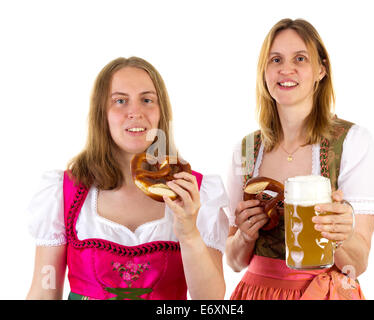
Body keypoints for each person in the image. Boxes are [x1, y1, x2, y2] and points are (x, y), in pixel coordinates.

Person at [26, 56, 229, 300]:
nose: (135, 112)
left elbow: (211, 300)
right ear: (102, 113)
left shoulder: (195, 191)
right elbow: (44, 289)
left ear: (160, 112)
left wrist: (188, 233)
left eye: (147, 100)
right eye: (120, 101)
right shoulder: (64, 191)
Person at [225, 18, 374, 300]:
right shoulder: (246, 148)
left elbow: (356, 265)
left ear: (321, 69)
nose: (286, 69)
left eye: (300, 58)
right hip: (257, 292)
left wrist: (341, 235)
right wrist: (244, 236)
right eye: (276, 59)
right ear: (265, 71)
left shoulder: (353, 141)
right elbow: (234, 261)